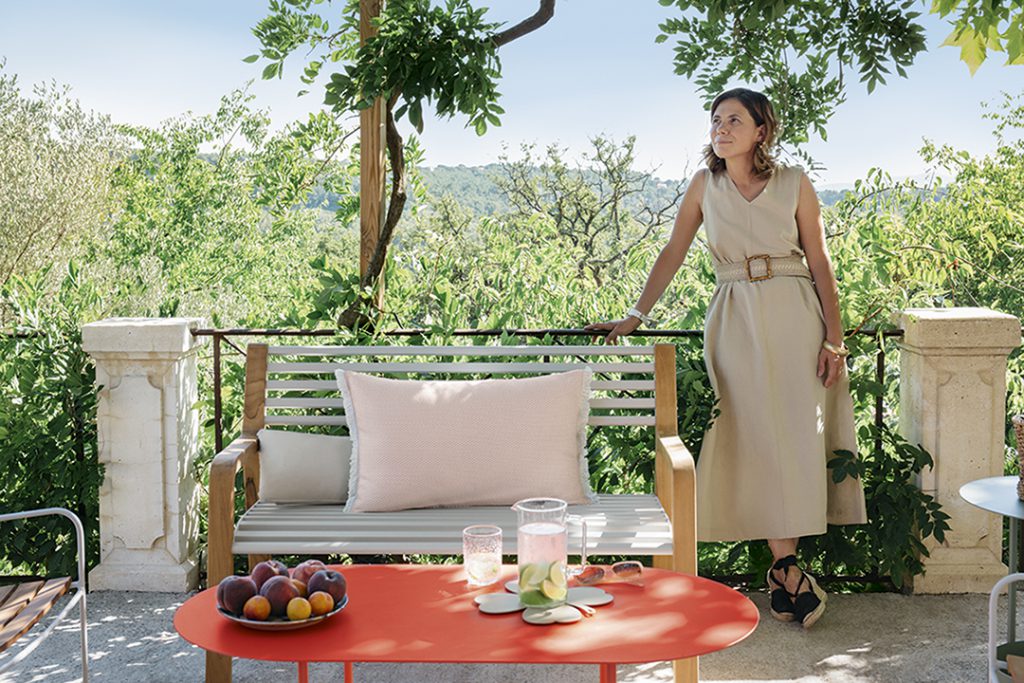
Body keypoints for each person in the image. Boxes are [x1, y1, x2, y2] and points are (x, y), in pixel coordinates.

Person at [585, 88, 867, 629]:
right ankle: (787, 571)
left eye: (735, 119)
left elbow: (820, 260)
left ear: (762, 130)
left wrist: (834, 339)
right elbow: (672, 250)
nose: (722, 127)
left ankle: (786, 569)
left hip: (794, 314)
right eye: (716, 120)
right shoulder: (704, 185)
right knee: (752, 433)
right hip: (733, 314)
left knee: (794, 435)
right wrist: (636, 315)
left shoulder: (794, 183)